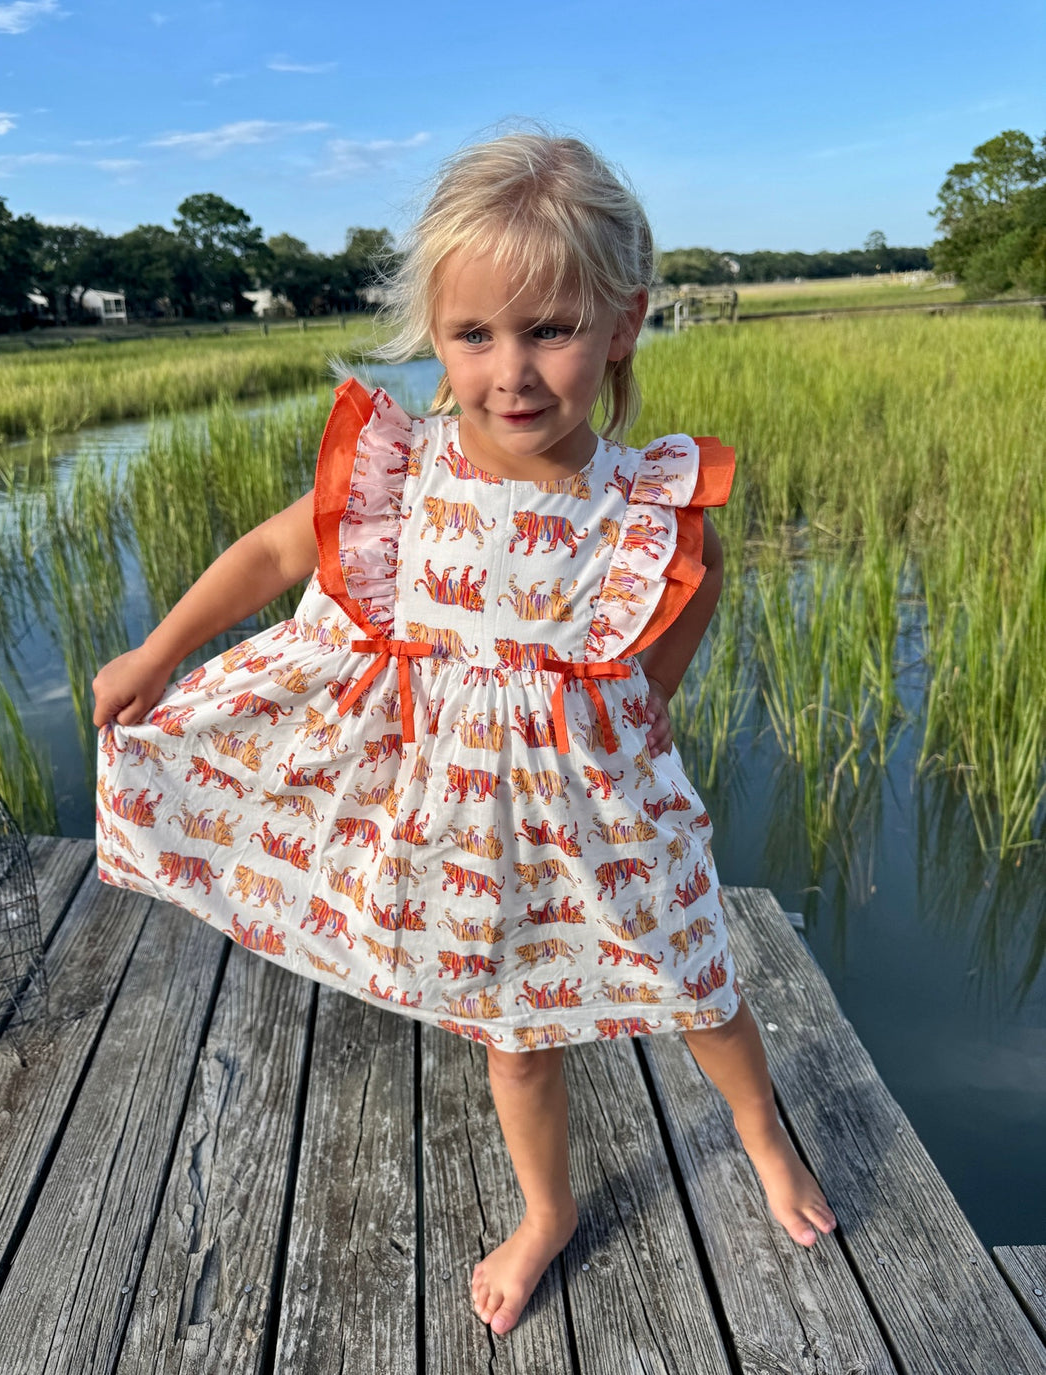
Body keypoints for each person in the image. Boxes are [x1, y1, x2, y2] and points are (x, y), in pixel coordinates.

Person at [92, 130, 836, 1339]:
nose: (512, 371)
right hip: (464, 832)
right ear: (435, 337)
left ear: (623, 322)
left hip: (597, 804)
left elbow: (648, 688)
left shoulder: (638, 506)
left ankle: (759, 1130)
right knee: (516, 1040)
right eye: (472, 335)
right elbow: (279, 555)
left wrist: (604, 771)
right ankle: (545, 1209)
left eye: (550, 329)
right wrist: (160, 650)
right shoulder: (405, 472)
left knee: (698, 980)